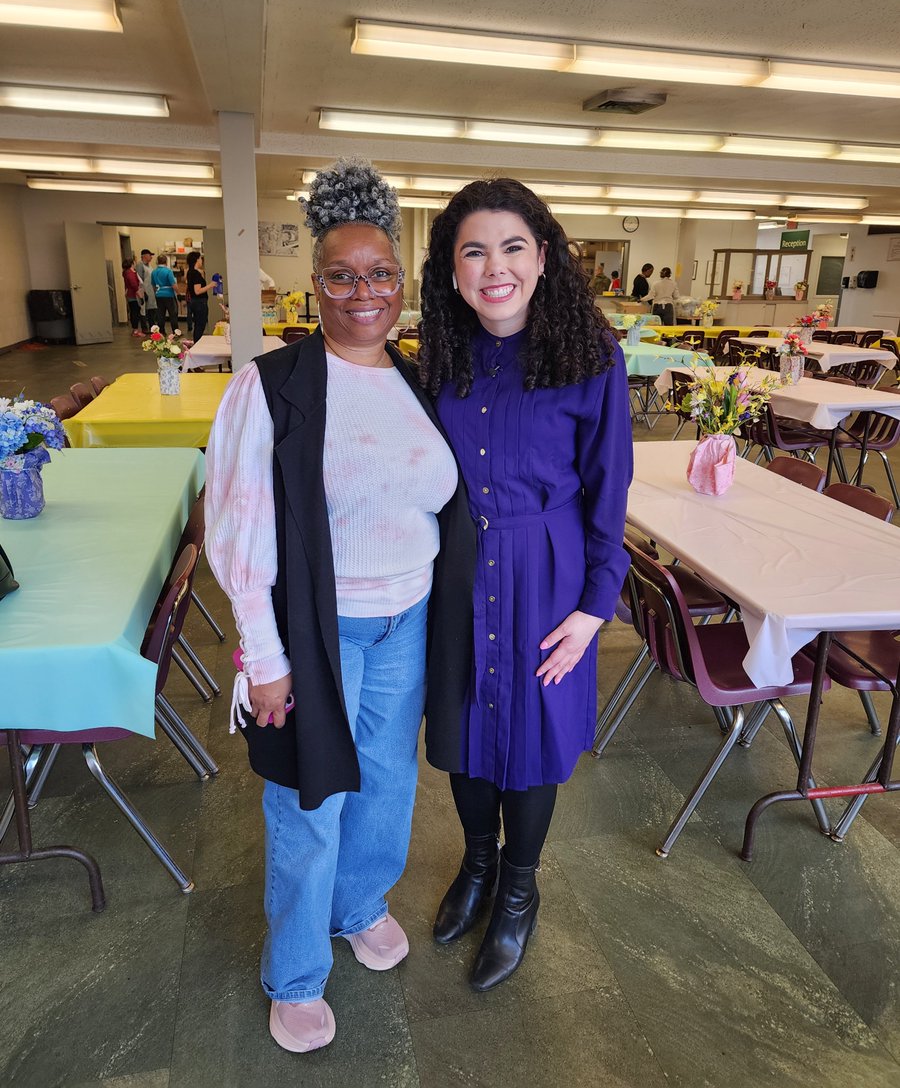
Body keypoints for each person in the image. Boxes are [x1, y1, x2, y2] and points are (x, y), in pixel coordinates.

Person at [205, 159, 470, 1055]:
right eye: (342, 276)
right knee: (308, 801)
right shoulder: (270, 385)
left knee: (390, 784)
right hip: (318, 633)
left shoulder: (420, 380)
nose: (365, 292)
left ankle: (360, 904)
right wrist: (264, 657)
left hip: (410, 621)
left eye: (381, 274)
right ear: (313, 284)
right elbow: (237, 530)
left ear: (403, 281)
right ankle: (295, 973)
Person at [418, 178, 633, 991]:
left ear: (544, 258)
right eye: (473, 250)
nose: (494, 267)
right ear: (452, 269)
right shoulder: (441, 356)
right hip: (459, 569)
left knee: (533, 738)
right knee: (467, 730)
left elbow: (608, 490)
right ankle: (477, 865)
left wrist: (593, 611)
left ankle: (518, 889)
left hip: (549, 572)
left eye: (512, 247)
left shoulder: (589, 359)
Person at [151, 255, 179, 335]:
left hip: (159, 295)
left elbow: (153, 285)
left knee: (161, 314)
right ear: (166, 261)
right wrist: (178, 293)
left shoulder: (154, 272)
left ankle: (161, 331)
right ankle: (175, 332)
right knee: (173, 314)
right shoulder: (168, 271)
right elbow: (173, 284)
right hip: (169, 294)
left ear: (157, 261)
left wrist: (156, 293)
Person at [186, 251, 209, 341]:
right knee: (200, 325)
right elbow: (197, 291)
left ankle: (196, 343)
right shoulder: (195, 273)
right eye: (200, 258)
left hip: (194, 302)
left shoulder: (190, 272)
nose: (201, 261)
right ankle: (197, 344)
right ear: (196, 260)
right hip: (200, 303)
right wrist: (210, 285)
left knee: (198, 325)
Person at [134, 248, 157, 334]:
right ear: (144, 256)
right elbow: (139, 280)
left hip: (151, 291)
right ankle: (145, 328)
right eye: (150, 255)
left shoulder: (149, 266)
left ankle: (152, 327)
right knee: (143, 310)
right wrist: (143, 292)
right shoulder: (140, 265)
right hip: (144, 292)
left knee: (152, 309)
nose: (151, 257)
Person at [122, 258, 143, 336]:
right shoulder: (130, 273)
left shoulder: (126, 272)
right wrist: (140, 296)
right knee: (135, 312)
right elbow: (134, 285)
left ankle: (135, 330)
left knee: (133, 312)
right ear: (131, 264)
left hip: (130, 294)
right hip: (133, 295)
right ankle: (135, 330)